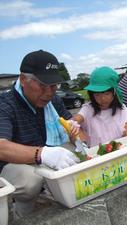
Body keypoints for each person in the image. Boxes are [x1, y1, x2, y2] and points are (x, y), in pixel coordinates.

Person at [0, 50, 80, 218]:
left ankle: (60, 197)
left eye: (53, 85)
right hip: (14, 167)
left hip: (46, 159)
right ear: (23, 79)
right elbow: (1, 147)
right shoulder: (5, 104)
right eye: (42, 85)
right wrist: (41, 153)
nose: (49, 92)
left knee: (78, 153)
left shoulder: (54, 101)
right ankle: (20, 214)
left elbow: (81, 140)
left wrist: (75, 133)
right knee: (30, 180)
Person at [72, 67, 127, 147]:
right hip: (98, 154)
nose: (103, 99)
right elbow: (77, 119)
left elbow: (125, 130)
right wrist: (72, 123)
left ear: (114, 92)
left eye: (106, 94)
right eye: (97, 95)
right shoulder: (88, 109)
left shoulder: (120, 108)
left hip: (119, 150)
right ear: (92, 95)